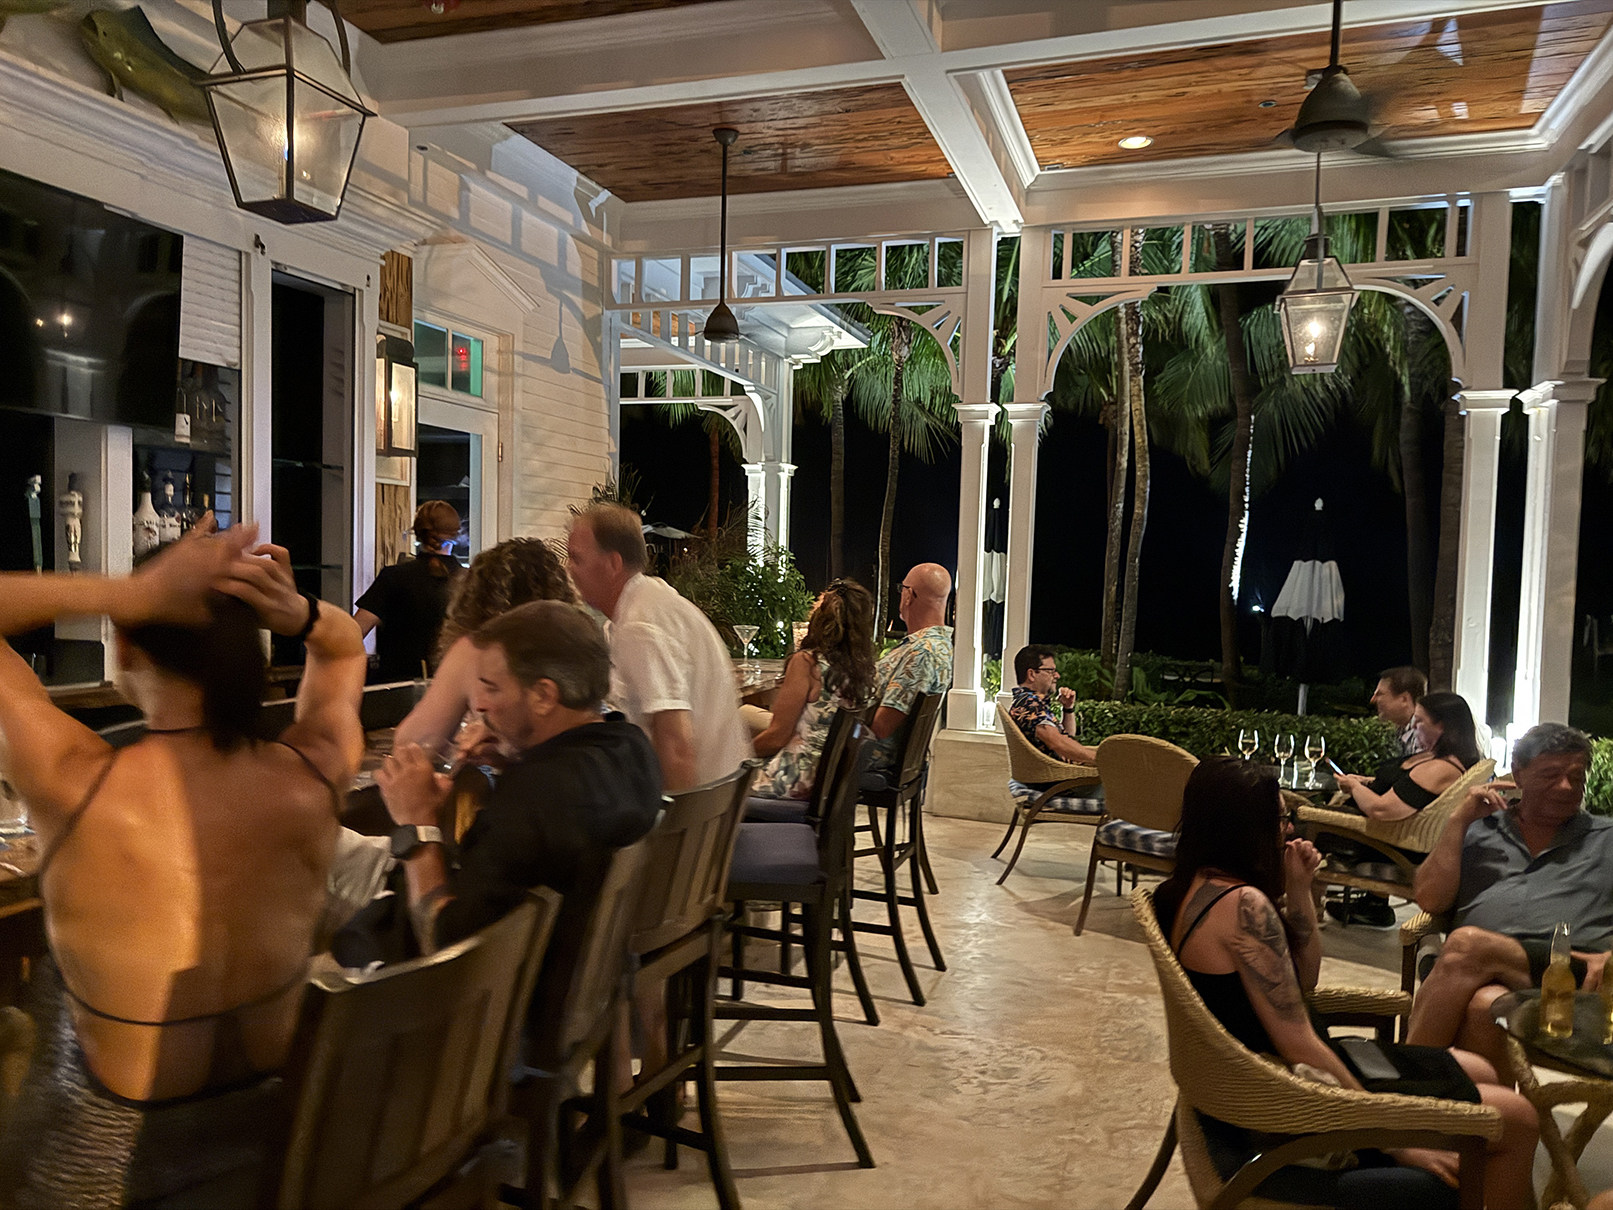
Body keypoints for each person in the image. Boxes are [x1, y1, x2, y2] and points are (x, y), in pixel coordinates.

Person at [0, 520, 367, 1206]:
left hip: (108, 1167)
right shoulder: (313, 775)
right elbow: (345, 651)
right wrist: (301, 612)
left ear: (125, 643)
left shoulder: (73, 782)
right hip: (273, 1141)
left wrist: (131, 593)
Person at [1154, 758, 1538, 1208]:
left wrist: (1300, 889)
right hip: (1283, 1103)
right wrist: (1394, 1142)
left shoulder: (1184, 889)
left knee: (1482, 1070)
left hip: (1264, 1078)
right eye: (1280, 819)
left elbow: (1304, 983)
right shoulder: (1244, 906)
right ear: (1245, 829)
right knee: (1517, 1117)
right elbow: (1300, 1044)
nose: (1288, 829)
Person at [374, 599, 663, 955]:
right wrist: (513, 759)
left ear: (543, 696)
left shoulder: (534, 795)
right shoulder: (632, 746)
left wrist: (417, 824)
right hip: (591, 965)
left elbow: (445, 943)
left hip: (482, 983)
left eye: (492, 688)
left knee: (334, 863)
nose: (480, 705)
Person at [1406, 722, 1609, 1073]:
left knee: (1467, 946)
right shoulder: (1478, 827)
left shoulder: (1606, 838)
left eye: (1576, 777)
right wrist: (1457, 821)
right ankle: (1489, 1108)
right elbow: (1431, 901)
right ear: (1518, 774)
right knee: (1483, 1007)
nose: (1566, 786)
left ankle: (1401, 1083)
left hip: (1574, 972)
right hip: (1488, 975)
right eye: (1551, 775)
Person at [566, 503, 750, 792]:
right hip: (720, 796)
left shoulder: (640, 626)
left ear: (613, 564)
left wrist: (671, 821)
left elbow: (676, 747)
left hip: (702, 810)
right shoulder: (649, 603)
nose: (568, 569)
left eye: (576, 559)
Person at [390, 536, 575, 761]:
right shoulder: (576, 647)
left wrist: (462, 748)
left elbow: (413, 745)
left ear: (474, 593)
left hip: (530, 779)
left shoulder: (474, 650)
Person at [1323, 691, 1483, 929]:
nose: (1414, 728)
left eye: (1419, 722)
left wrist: (1354, 787)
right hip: (1380, 834)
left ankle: (1299, 914)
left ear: (1442, 726)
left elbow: (1381, 810)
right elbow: (1407, 789)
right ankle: (1369, 907)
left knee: (1300, 825)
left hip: (1379, 841)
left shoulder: (1439, 769)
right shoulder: (1442, 759)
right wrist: (1366, 782)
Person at [749, 579, 876, 801]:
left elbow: (777, 738)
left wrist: (732, 755)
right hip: (830, 780)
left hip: (794, 777)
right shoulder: (865, 670)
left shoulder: (807, 662)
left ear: (820, 618)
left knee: (716, 785)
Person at [354, 500, 463, 683]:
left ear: (418, 532)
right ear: (456, 534)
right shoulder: (471, 581)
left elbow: (354, 632)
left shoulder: (394, 577)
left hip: (397, 689)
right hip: (454, 688)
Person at [866, 563, 953, 786]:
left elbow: (882, 726)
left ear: (908, 596)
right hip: (873, 753)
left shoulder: (921, 653)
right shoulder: (939, 645)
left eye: (901, 589)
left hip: (867, 757)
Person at [1007, 644, 1096, 765]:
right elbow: (1057, 743)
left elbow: (1067, 737)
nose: (1057, 675)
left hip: (1060, 770)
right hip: (1056, 774)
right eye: (1050, 671)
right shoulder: (1030, 705)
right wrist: (1099, 758)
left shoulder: (1031, 702)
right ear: (1032, 674)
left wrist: (1068, 708)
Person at [1372, 666, 1427, 757]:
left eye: (1380, 694)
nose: (1373, 700)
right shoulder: (1398, 731)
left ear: (1404, 699)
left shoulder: (1424, 735)